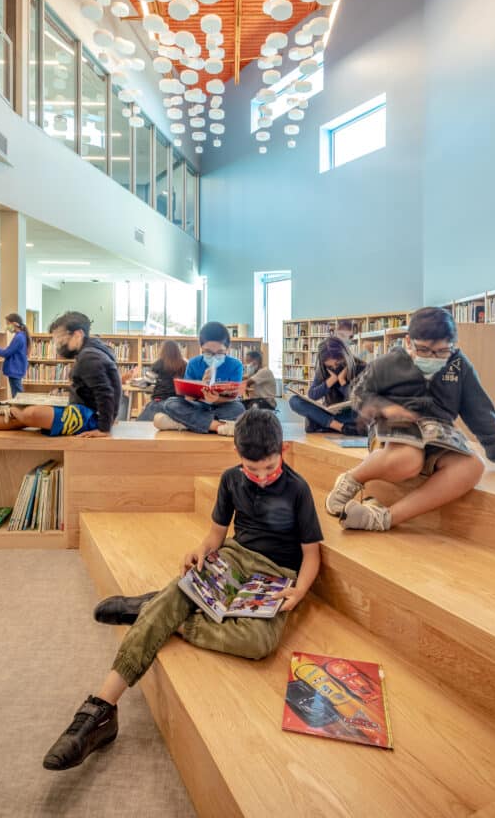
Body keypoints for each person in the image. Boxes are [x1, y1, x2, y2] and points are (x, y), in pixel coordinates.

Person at [41, 409, 323, 771]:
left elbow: (311, 554)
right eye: (254, 470)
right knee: (184, 588)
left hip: (276, 573)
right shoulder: (230, 480)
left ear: (282, 450)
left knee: (259, 643)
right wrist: (200, 550)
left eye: (270, 468)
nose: (263, 477)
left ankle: (162, 613)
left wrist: (299, 591)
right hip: (234, 558)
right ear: (237, 457)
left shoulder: (298, 489)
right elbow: (216, 536)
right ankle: (99, 710)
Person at [325, 307, 495, 531]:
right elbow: (358, 394)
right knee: (408, 459)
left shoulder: (459, 366)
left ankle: (383, 519)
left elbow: (482, 414)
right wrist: (386, 408)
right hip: (393, 433)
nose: (432, 357)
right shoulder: (390, 362)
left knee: (473, 466)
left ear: (454, 346)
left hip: (438, 436)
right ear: (408, 342)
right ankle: (352, 479)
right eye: (423, 350)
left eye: (442, 351)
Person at [0, 311, 122, 438]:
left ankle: (13, 410)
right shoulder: (95, 348)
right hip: (86, 411)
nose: (58, 345)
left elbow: (105, 392)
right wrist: (111, 417)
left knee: (30, 415)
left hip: (87, 417)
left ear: (78, 334)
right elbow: (114, 386)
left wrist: (104, 427)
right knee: (25, 418)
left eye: (60, 339)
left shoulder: (88, 357)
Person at [153, 321, 246, 436]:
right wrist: (201, 385)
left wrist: (216, 399)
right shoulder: (193, 363)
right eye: (208, 352)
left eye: (220, 352)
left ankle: (183, 423)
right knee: (170, 403)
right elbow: (188, 398)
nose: (213, 357)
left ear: (227, 349)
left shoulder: (236, 365)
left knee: (239, 408)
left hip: (223, 407)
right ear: (201, 347)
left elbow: (233, 398)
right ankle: (217, 426)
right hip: (199, 406)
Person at [288, 337, 366, 434]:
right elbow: (312, 395)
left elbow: (356, 398)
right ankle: (340, 427)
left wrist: (342, 381)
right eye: (330, 366)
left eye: (338, 364)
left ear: (346, 357)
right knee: (294, 401)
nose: (334, 368)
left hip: (350, 413)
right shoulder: (324, 371)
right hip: (331, 413)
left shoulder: (361, 368)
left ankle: (320, 422)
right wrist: (331, 380)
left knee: (362, 415)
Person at [137, 339, 187, 421]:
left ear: (163, 351)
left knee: (139, 424)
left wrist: (134, 382)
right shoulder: (185, 364)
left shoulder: (158, 364)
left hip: (160, 401)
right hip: (179, 403)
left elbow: (146, 382)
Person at [0, 312, 30, 398]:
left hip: (15, 370)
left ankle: (20, 410)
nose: (7, 327)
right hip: (17, 370)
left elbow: (6, 353)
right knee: (17, 394)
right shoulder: (21, 336)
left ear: (14, 324)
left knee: (18, 395)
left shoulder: (19, 337)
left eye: (8, 324)